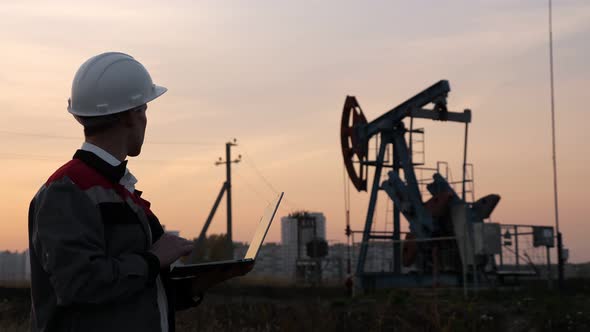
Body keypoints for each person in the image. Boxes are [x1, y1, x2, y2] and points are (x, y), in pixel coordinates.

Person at [28, 52, 251, 332]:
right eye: (145, 109)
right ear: (134, 115)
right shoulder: (67, 190)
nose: (146, 119)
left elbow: (132, 295)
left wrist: (197, 284)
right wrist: (154, 259)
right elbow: (80, 286)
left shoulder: (115, 189)